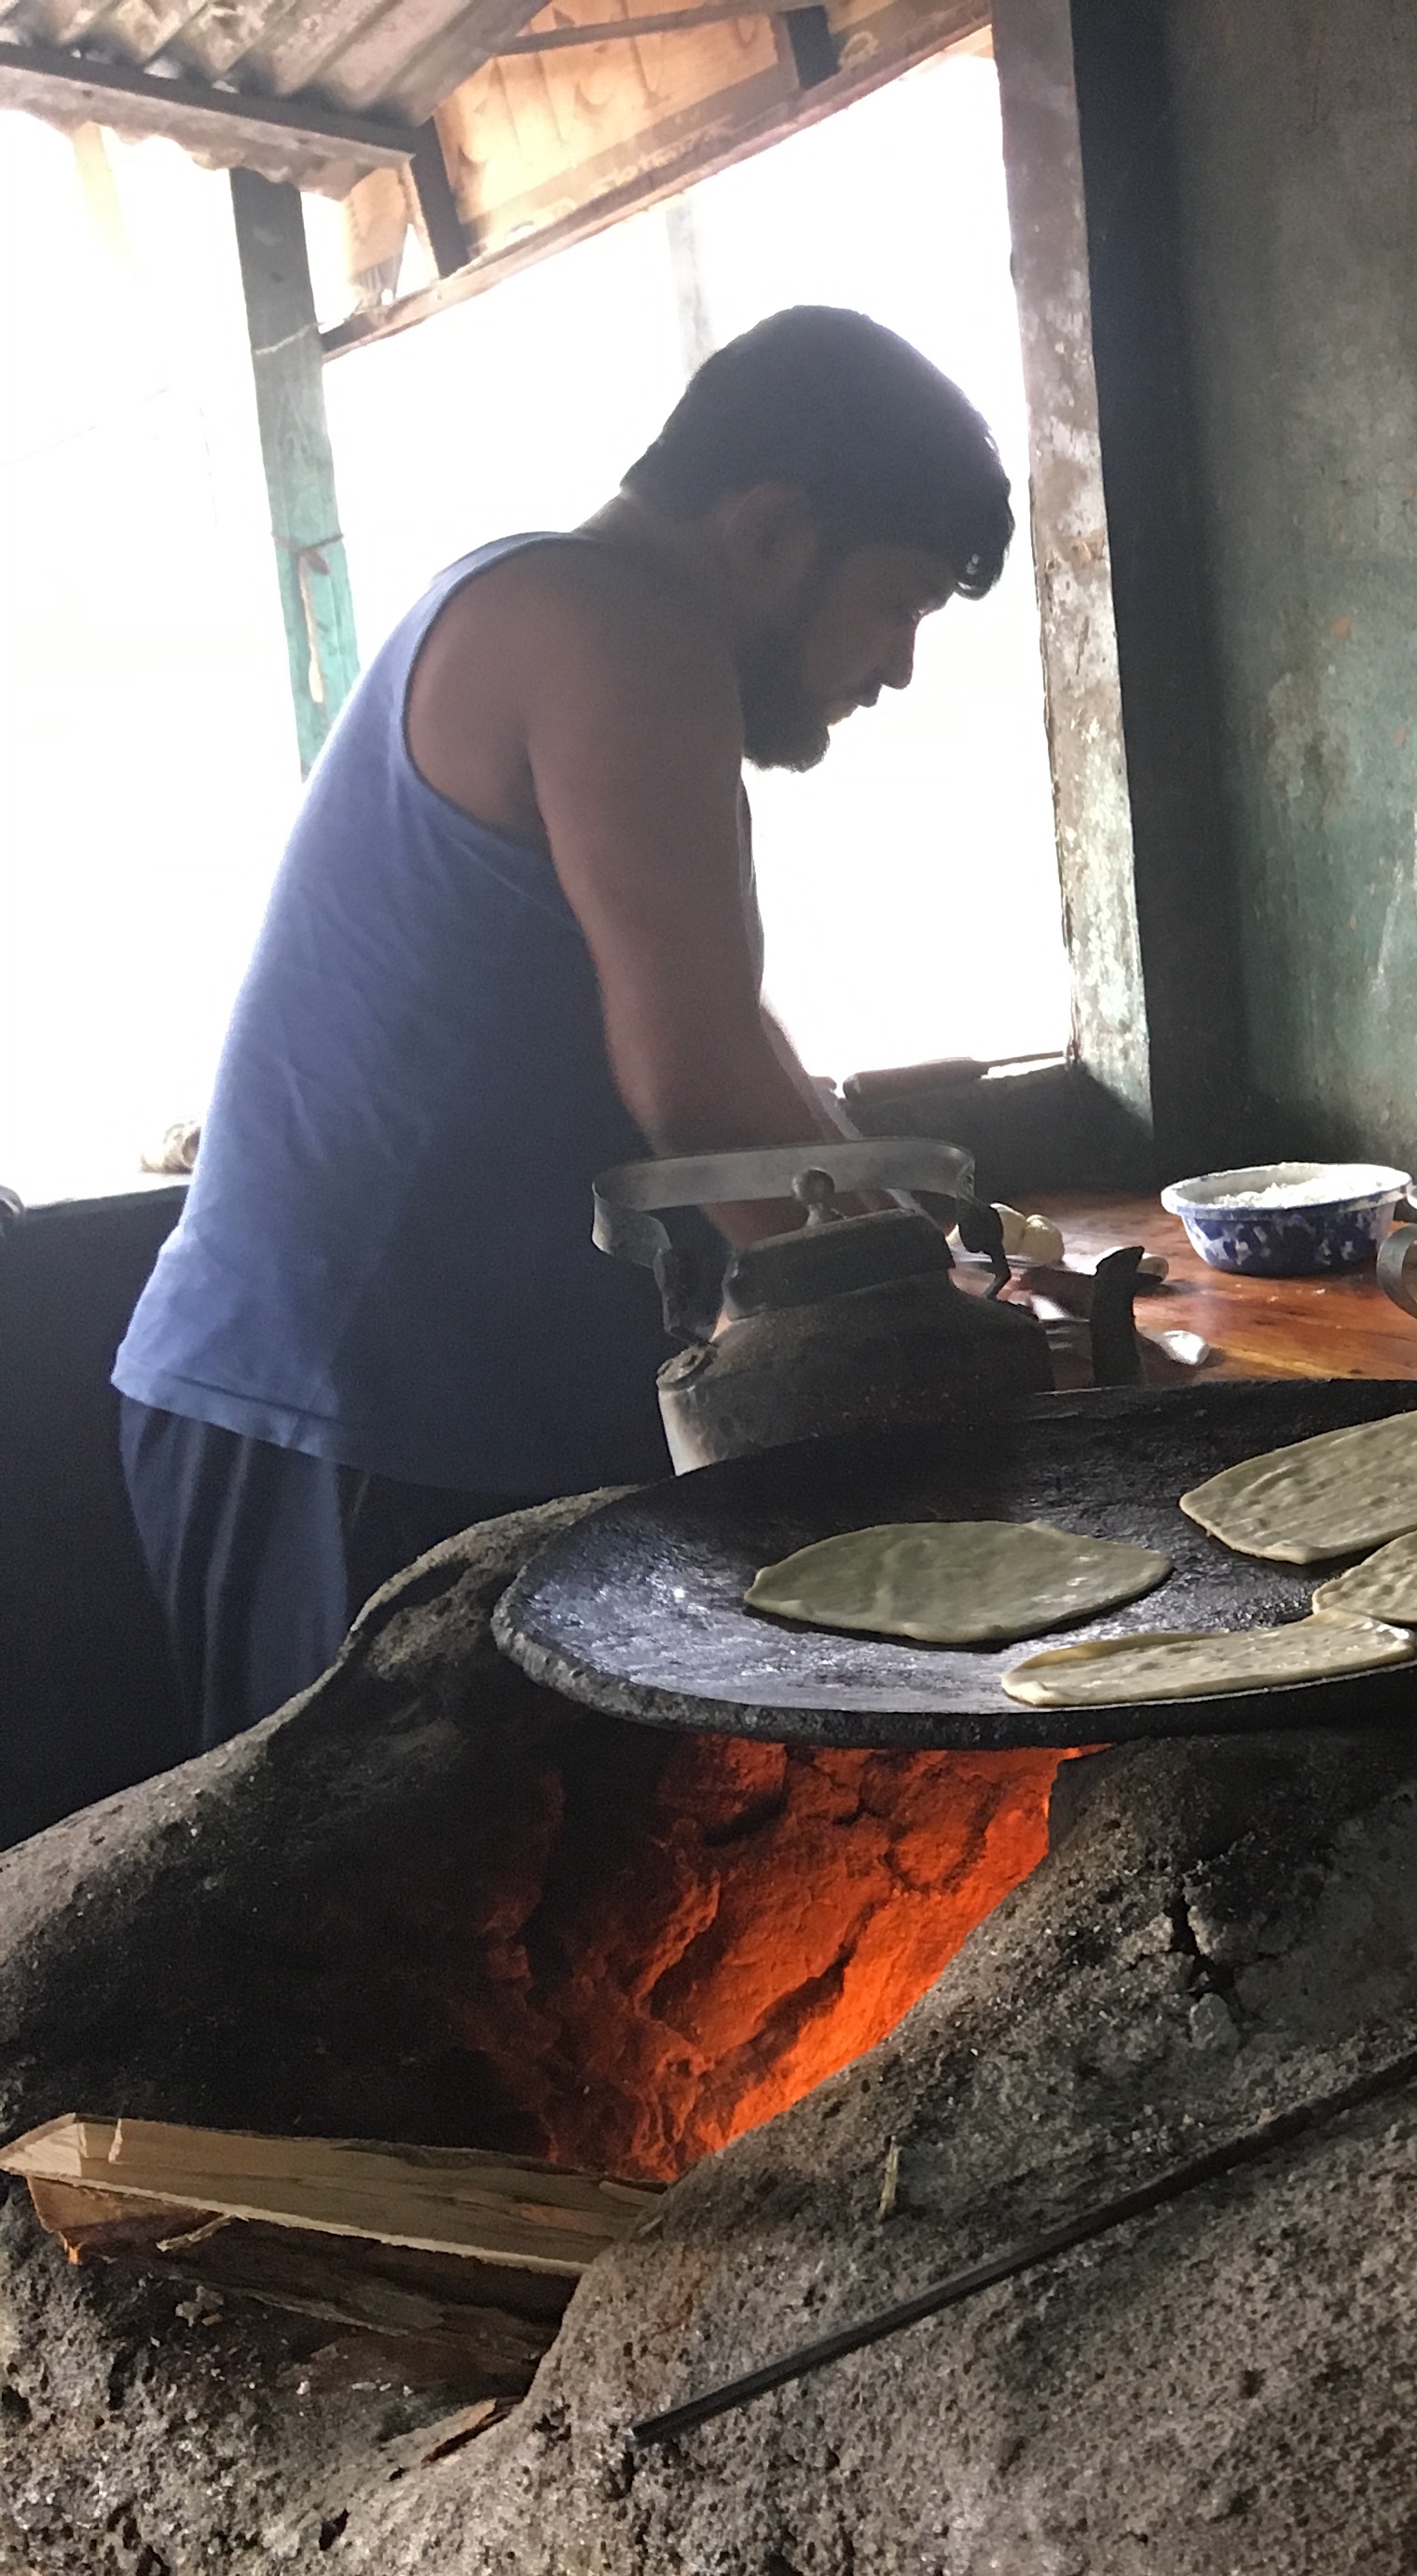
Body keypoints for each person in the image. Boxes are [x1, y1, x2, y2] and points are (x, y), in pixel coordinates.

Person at [113, 305, 1012, 1750]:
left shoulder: (603, 628)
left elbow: (741, 1043)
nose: (899, 667)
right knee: (381, 1941)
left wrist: (926, 1251)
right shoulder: (613, 627)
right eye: (899, 602)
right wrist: (936, 1370)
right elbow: (702, 1100)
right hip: (341, 1415)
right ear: (774, 530)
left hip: (373, 1407)